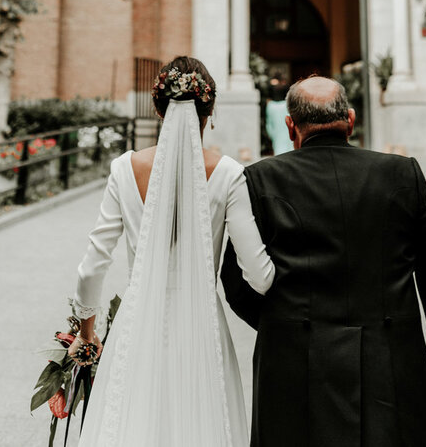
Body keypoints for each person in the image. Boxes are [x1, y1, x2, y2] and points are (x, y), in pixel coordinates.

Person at [222, 75, 426, 447]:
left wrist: (283, 323)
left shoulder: (260, 179)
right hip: (390, 360)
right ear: (350, 120)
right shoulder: (401, 173)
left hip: (294, 362)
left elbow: (234, 279)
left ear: (290, 125)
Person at [69, 55, 275, 446]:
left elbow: (91, 268)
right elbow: (259, 273)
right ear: (209, 111)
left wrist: (87, 331)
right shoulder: (230, 173)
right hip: (202, 324)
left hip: (137, 318)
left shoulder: (124, 170)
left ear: (157, 108)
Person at [264, 82, 292, 155]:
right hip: (289, 134)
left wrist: (271, 135)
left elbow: (269, 124)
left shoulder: (270, 106)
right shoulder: (287, 105)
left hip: (277, 135)